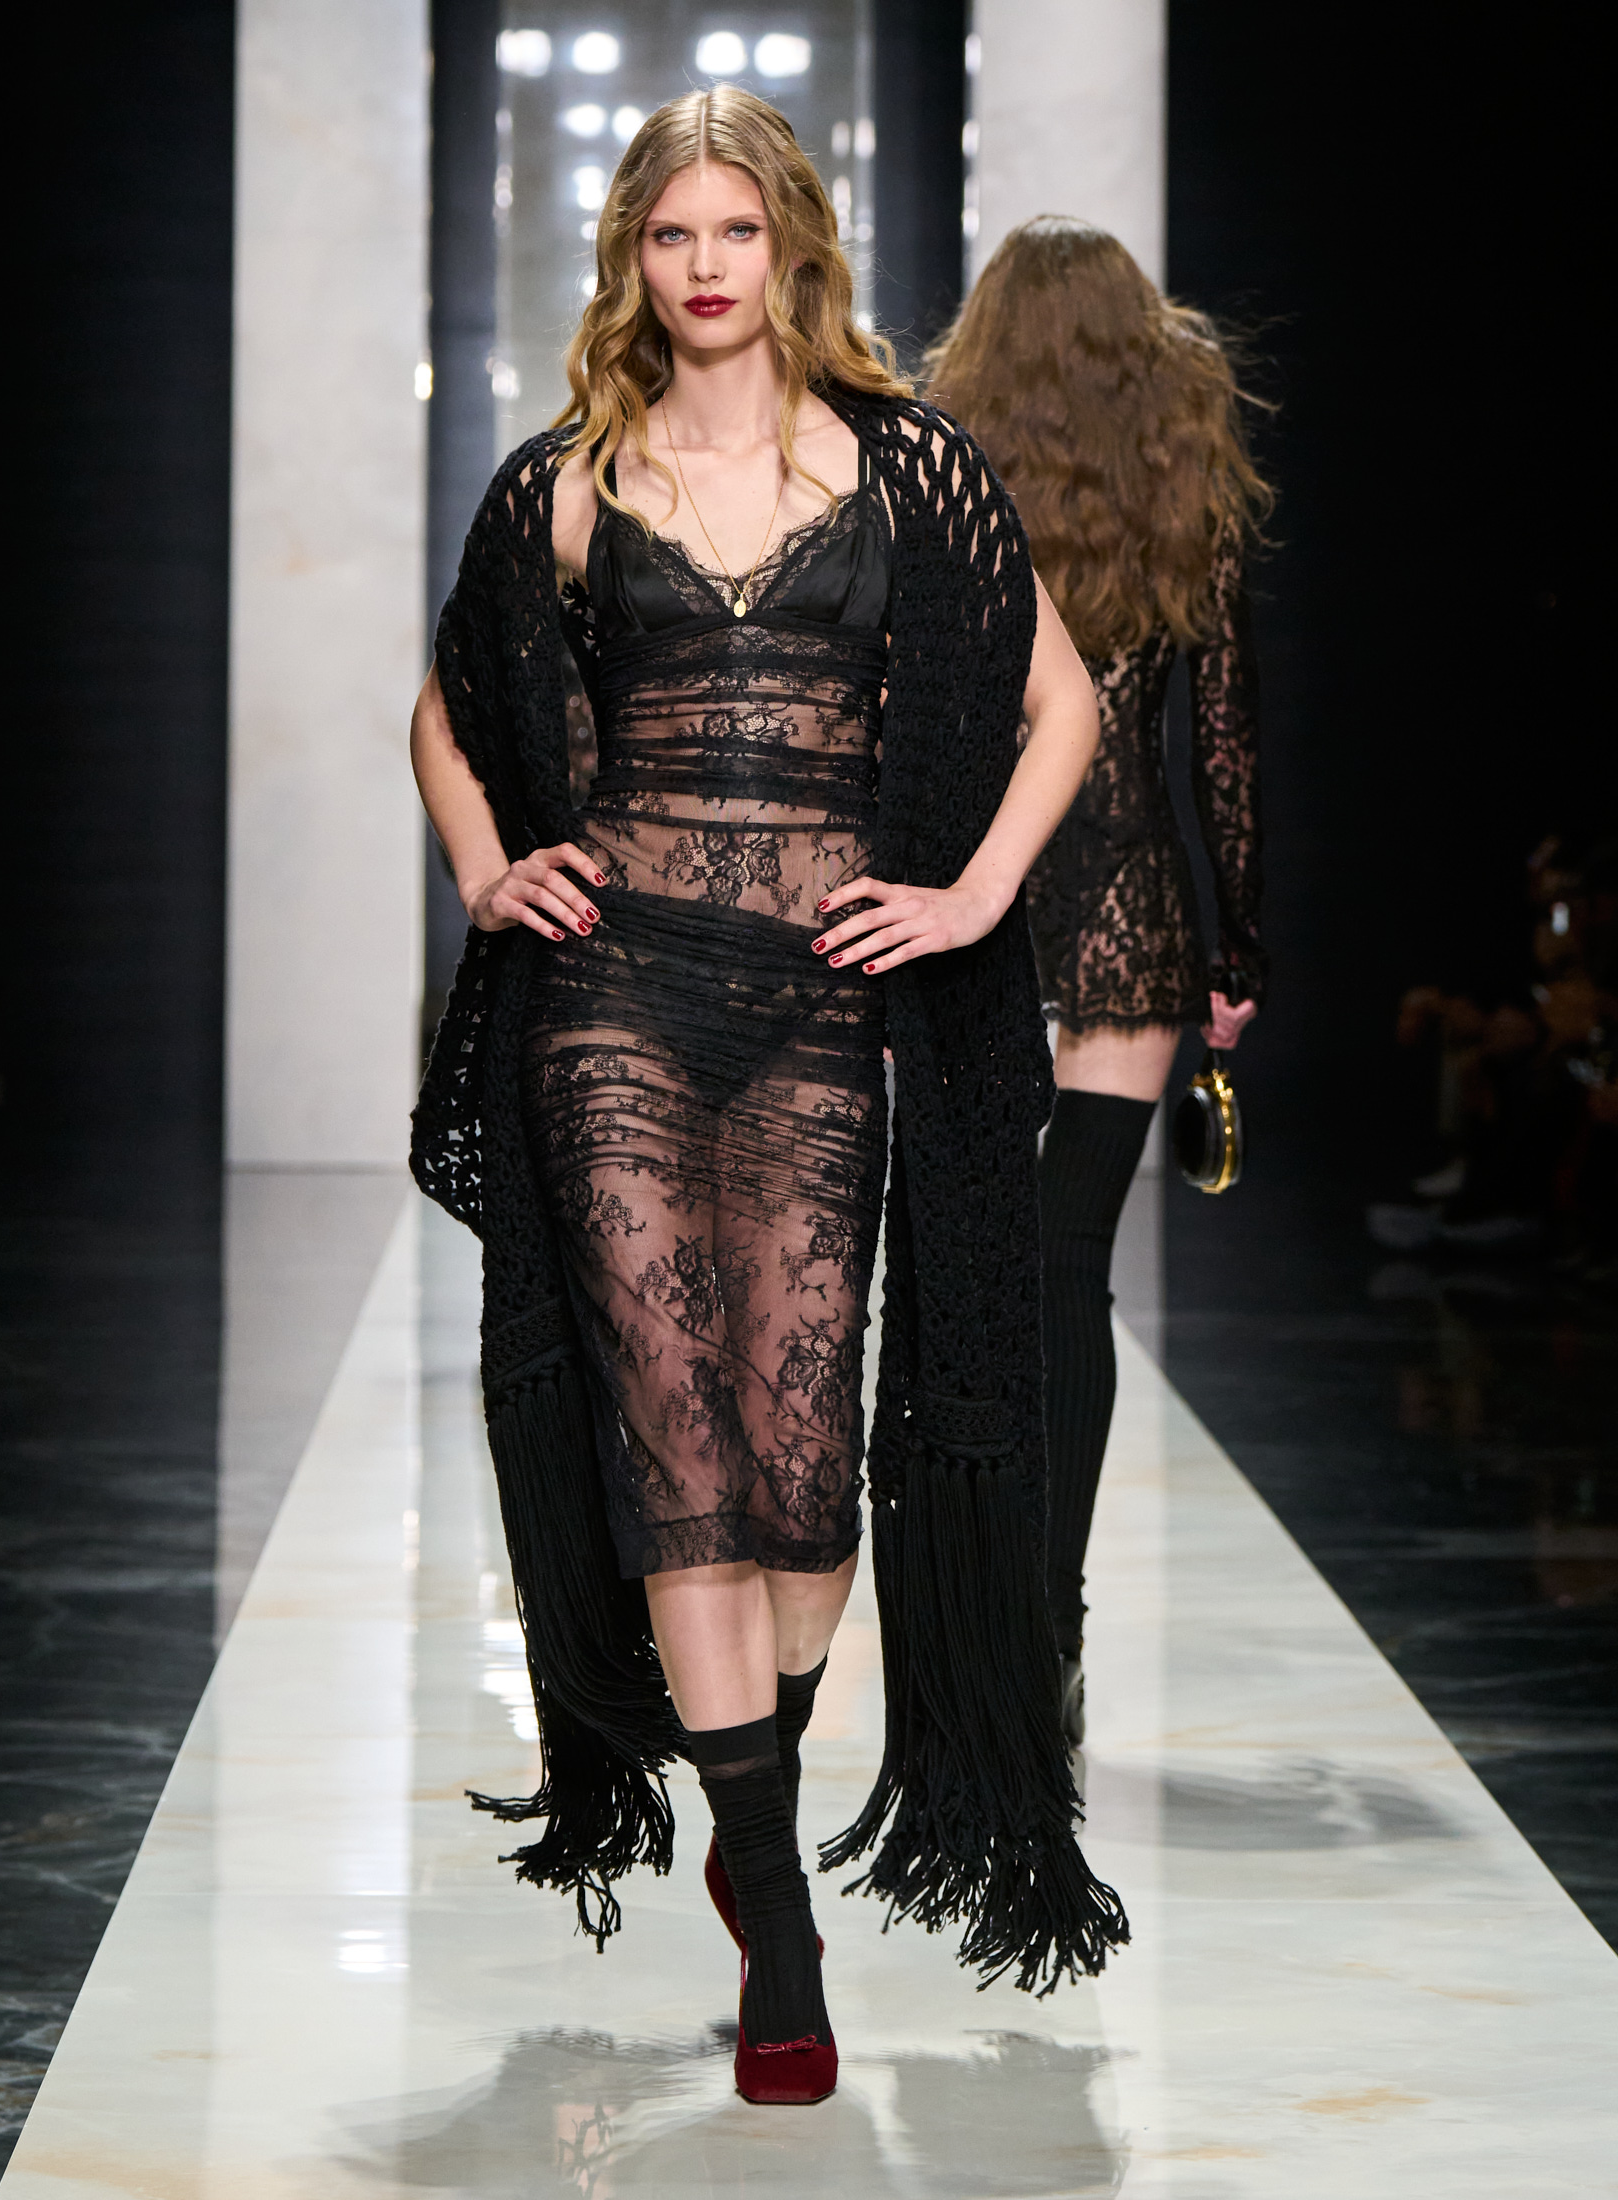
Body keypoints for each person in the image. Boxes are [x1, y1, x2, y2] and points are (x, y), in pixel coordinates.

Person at [409, 92, 1126, 2107]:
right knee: (676, 1423)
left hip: (821, 1002)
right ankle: (781, 1936)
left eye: (736, 229)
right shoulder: (571, 477)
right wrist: (486, 865)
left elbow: (1063, 704)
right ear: (632, 258)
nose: (704, 265)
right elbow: (449, 706)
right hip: (614, 994)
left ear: (794, 243)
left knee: (803, 1462)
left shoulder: (908, 467)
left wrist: (971, 896)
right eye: (669, 235)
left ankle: (754, 1792)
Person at [925, 218, 1272, 1744]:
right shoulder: (1183, 491)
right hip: (1129, 899)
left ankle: (972, 1617)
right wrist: (1239, 949)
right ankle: (1046, 1633)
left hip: (979, 892)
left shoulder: (944, 478)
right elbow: (1224, 747)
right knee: (1069, 1272)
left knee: (967, 1274)